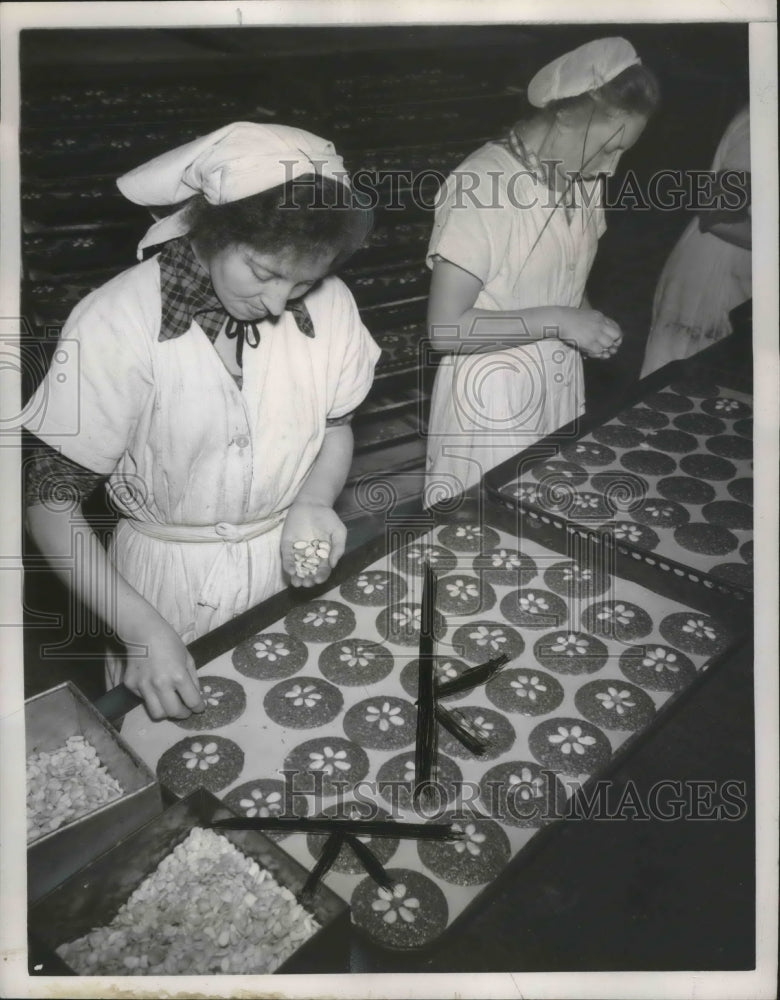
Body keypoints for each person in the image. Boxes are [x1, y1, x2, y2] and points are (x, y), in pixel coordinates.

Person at [23, 122, 380, 721]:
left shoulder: (331, 303)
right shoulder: (116, 320)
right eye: (264, 273)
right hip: (159, 591)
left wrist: (315, 500)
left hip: (280, 567)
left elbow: (336, 426)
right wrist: (138, 628)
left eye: (303, 282)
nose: (277, 303)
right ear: (215, 232)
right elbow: (49, 503)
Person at [423, 38, 659, 504]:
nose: (611, 168)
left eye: (622, 152)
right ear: (568, 113)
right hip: (489, 398)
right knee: (486, 540)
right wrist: (561, 320)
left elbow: (566, 271)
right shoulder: (482, 187)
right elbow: (446, 328)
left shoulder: (582, 177)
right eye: (609, 147)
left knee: (544, 522)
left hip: (558, 382)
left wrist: (587, 321)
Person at [640, 105, 751, 376]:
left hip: (740, 277)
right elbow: (720, 216)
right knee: (679, 390)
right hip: (713, 278)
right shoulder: (759, 123)